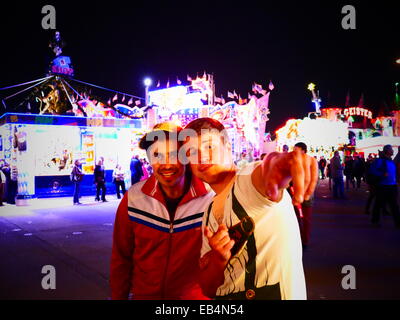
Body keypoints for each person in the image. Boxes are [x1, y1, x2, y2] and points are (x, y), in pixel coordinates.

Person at [183, 118, 318, 300]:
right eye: (192, 152)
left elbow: (268, 171)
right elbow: (208, 288)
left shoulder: (248, 180)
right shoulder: (208, 213)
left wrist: (281, 163)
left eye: (209, 147)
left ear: (228, 148)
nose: (202, 157)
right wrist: (218, 259)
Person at [110, 122, 214, 300]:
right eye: (157, 155)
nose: (166, 164)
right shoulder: (134, 198)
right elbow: (121, 258)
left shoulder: (209, 198)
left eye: (173, 155)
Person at [292, 142, 318, 249]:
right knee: (295, 218)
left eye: (296, 149)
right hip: (295, 194)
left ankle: (305, 241)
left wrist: (308, 193)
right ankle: (297, 240)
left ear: (303, 150)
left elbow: (314, 179)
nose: (294, 151)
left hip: (307, 195)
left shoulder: (311, 160)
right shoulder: (294, 160)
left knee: (306, 219)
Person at [369, 145, 400, 228]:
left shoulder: (391, 161)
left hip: (392, 186)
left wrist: (395, 181)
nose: (393, 151)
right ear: (387, 151)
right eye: (391, 149)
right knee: (378, 204)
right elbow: (372, 171)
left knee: (394, 205)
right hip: (383, 186)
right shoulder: (380, 161)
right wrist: (382, 174)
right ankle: (375, 221)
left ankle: (397, 223)